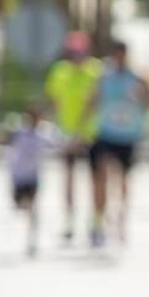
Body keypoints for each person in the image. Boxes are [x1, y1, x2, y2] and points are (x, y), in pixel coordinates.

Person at [83, 41, 149, 248]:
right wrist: (81, 128)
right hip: (106, 133)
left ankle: (121, 217)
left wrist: (143, 95)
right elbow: (92, 101)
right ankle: (99, 220)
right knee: (101, 175)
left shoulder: (137, 79)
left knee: (123, 179)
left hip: (128, 135)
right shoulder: (104, 78)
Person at [43, 31, 101, 244]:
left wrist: (81, 131)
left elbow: (97, 102)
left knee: (95, 179)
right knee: (68, 179)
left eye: (81, 52)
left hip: (91, 135)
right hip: (66, 134)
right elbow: (54, 100)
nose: (77, 56)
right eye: (73, 52)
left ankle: (96, 220)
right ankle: (69, 220)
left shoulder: (96, 70)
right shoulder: (60, 71)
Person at [5, 101, 57, 257]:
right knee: (20, 207)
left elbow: (57, 145)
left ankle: (31, 241)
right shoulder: (18, 132)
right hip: (18, 177)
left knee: (33, 209)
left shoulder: (44, 133)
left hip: (33, 177)